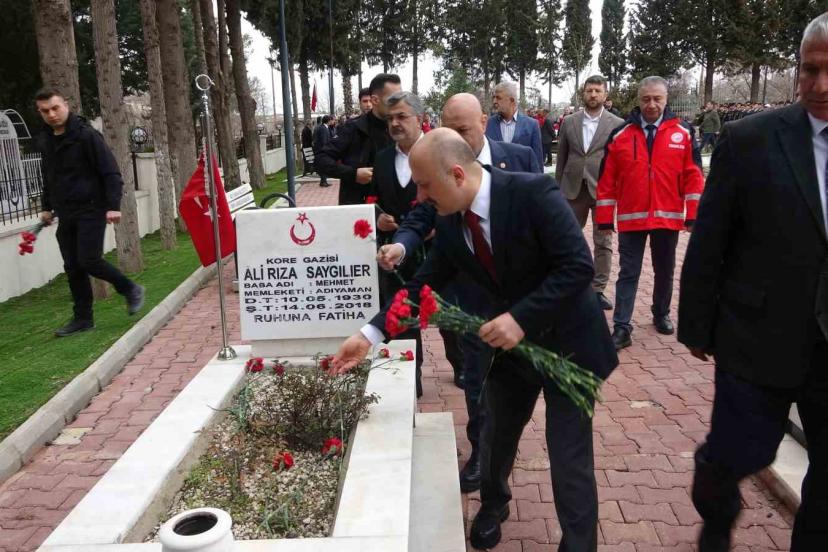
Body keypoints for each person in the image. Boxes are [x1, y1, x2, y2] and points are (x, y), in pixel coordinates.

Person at [334, 128, 617, 551]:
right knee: (495, 437)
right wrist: (369, 334)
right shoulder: (450, 220)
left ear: (456, 174)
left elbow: (577, 267)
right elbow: (422, 287)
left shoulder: (533, 193)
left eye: (425, 185)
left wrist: (520, 318)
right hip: (512, 354)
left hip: (569, 347)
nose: (420, 197)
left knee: (569, 458)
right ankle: (493, 504)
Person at [677, 13, 828, 552]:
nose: (820, 85)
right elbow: (710, 240)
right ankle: (716, 517)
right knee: (738, 454)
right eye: (810, 70)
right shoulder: (751, 139)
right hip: (757, 335)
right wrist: (696, 324)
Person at [378, 92, 543, 496]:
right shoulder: (440, 164)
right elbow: (421, 216)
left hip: (521, 305)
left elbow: (541, 222)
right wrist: (401, 246)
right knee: (475, 379)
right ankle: (482, 454)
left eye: (464, 129)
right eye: (450, 129)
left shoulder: (520, 158)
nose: (457, 137)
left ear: (484, 121)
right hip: (470, 297)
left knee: (517, 390)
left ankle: (502, 449)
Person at [595, 76, 704, 350]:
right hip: (631, 218)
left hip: (667, 217)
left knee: (664, 271)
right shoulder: (620, 135)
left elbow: (693, 176)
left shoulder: (683, 132)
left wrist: (693, 214)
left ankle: (661, 313)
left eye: (657, 99)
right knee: (628, 273)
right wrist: (604, 219)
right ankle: (622, 327)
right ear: (638, 100)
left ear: (666, 99)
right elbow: (607, 180)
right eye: (646, 99)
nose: (651, 104)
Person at [34, 89, 145, 337]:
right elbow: (49, 177)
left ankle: (130, 289)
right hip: (66, 212)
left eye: (55, 108)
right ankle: (83, 319)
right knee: (73, 267)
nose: (51, 114)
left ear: (65, 105)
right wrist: (46, 207)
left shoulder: (86, 136)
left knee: (88, 260)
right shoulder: (46, 140)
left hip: (92, 208)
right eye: (45, 111)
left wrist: (113, 205)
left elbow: (110, 172)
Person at [371, 91, 427, 395]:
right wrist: (379, 217)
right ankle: (410, 381)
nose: (395, 123)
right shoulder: (382, 158)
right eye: (390, 118)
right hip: (395, 252)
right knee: (400, 314)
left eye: (402, 116)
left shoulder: (437, 151)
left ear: (419, 118)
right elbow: (374, 199)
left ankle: (460, 366)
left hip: (436, 252)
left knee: (449, 319)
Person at [556, 75, 624, 312]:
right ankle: (570, 285)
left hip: (603, 191)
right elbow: (562, 157)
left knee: (603, 241)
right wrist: (557, 188)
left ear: (605, 95)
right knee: (567, 239)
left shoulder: (617, 124)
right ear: (583, 93)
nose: (593, 94)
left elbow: (621, 160)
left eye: (597, 91)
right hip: (572, 188)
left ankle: (598, 290)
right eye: (589, 90)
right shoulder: (569, 122)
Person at [315, 74, 402, 205]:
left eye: (400, 98)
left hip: (394, 207)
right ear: (375, 100)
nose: (398, 103)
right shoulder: (352, 128)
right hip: (359, 205)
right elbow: (321, 160)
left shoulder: (401, 126)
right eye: (393, 99)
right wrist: (353, 174)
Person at [485, 81, 544, 166]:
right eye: (493, 97)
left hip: (522, 174)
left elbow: (537, 161)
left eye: (498, 98)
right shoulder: (488, 124)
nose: (494, 101)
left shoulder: (532, 125)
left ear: (512, 100)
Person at [312, 115, 333, 187]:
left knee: (324, 165)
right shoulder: (323, 128)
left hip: (321, 150)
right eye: (331, 120)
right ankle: (323, 182)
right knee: (323, 165)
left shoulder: (324, 127)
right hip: (322, 150)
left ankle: (323, 181)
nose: (332, 121)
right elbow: (324, 141)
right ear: (328, 121)